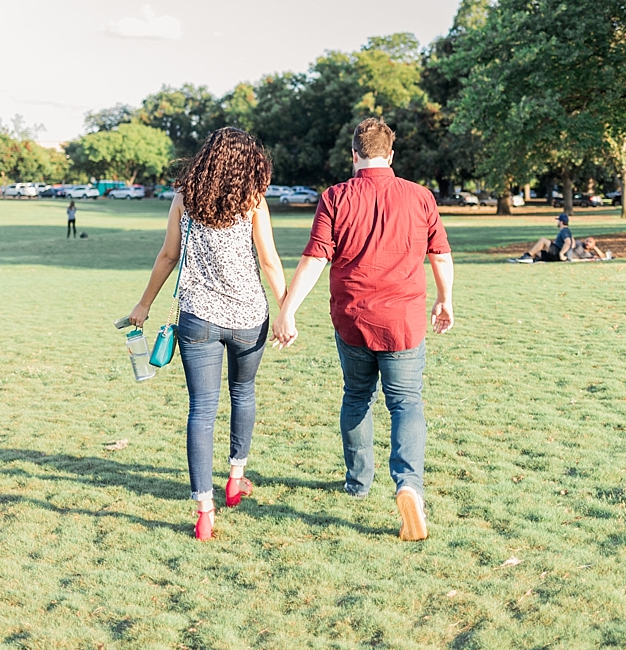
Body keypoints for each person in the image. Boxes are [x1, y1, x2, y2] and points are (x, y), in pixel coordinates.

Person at [271, 118, 454, 542]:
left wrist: (287, 311)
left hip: (353, 318)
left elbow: (315, 258)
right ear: (391, 155)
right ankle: (409, 485)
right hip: (405, 321)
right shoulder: (420, 196)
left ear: (353, 154)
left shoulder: (335, 197)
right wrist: (444, 299)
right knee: (406, 402)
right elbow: (440, 255)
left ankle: (358, 483)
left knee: (357, 396)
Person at [129, 127, 286, 542]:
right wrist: (287, 309)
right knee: (244, 393)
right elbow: (269, 261)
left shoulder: (185, 198)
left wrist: (143, 304)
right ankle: (236, 478)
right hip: (249, 316)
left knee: (201, 409)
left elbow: (168, 255)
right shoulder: (254, 202)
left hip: (197, 319)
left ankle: (205, 510)